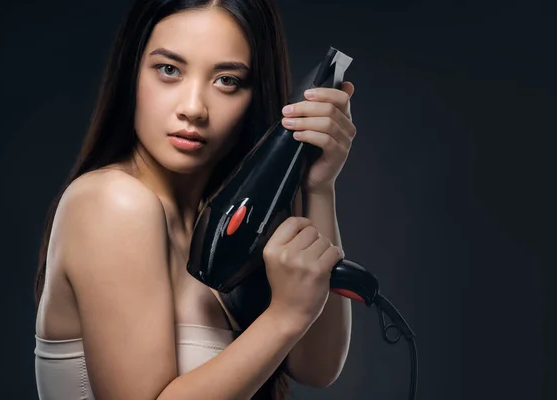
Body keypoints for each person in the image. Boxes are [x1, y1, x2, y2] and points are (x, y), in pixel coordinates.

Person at [33, 0, 357, 399]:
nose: (193, 109)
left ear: (255, 94)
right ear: (131, 72)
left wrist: (316, 185)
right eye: (169, 70)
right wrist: (285, 315)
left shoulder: (226, 221)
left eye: (226, 81)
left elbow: (318, 365)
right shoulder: (114, 202)